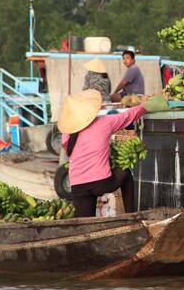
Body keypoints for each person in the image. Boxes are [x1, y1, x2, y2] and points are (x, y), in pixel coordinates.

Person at [56, 89, 170, 217]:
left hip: (77, 186)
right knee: (125, 173)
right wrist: (151, 104)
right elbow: (130, 115)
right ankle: (130, 216)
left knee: (85, 223)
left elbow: (69, 149)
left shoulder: (68, 133)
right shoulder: (104, 122)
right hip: (101, 183)